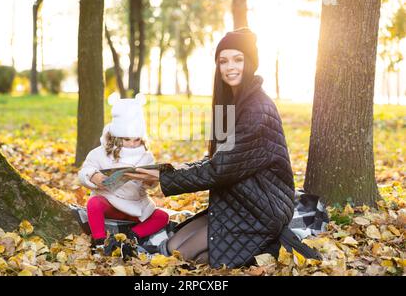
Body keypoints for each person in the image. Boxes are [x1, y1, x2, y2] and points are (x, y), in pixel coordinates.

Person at [125, 27, 296, 268]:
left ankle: (268, 247)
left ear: (251, 63)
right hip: (236, 201)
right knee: (173, 247)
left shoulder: (257, 111)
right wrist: (166, 170)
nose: (230, 67)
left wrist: (164, 177)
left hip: (262, 209)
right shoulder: (229, 104)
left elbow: (219, 170)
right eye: (223, 61)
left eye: (238, 59)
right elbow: (214, 161)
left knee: (185, 257)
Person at [78, 92, 169, 255]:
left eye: (137, 140)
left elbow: (151, 185)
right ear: (116, 137)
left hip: (137, 206)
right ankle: (100, 242)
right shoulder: (101, 153)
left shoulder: (146, 156)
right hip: (111, 202)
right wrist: (93, 176)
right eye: (127, 140)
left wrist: (150, 182)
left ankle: (131, 237)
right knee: (93, 204)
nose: (133, 144)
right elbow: (85, 170)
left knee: (162, 217)